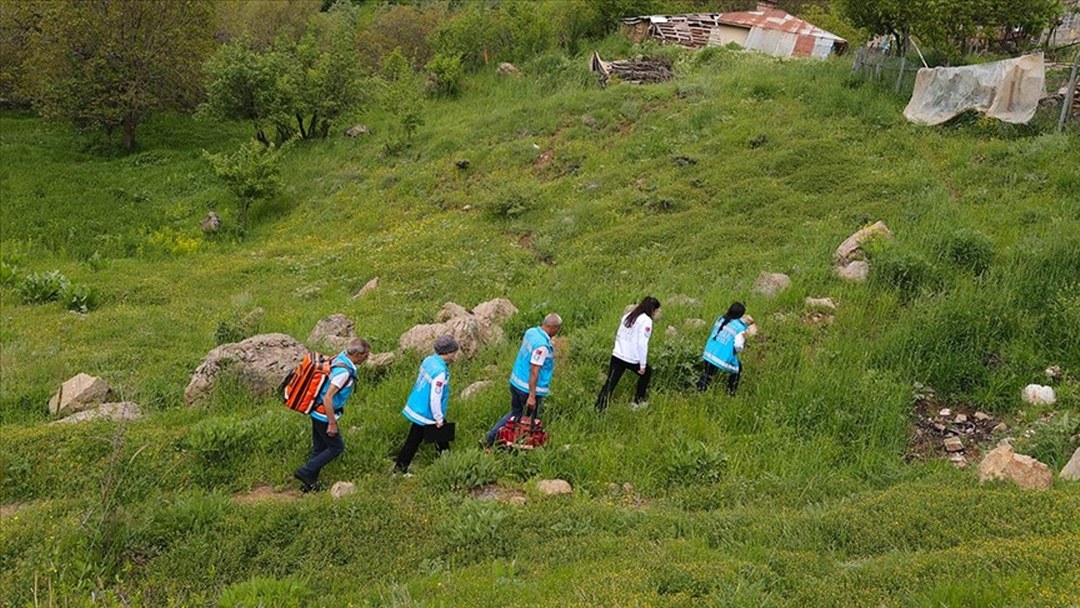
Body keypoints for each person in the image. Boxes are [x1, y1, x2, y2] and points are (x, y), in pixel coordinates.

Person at [293, 338, 370, 492]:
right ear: (357, 355)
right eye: (366, 355)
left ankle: (309, 485)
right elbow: (328, 397)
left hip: (315, 409)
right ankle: (305, 471)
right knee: (336, 448)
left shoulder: (340, 357)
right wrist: (332, 423)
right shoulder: (344, 373)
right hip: (324, 414)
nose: (367, 358)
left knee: (319, 448)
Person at [484, 313, 561, 447]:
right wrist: (532, 396)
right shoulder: (542, 346)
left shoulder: (531, 332)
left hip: (516, 382)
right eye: (558, 329)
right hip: (527, 389)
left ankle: (498, 439)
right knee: (527, 422)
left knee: (516, 414)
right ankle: (511, 443)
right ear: (553, 328)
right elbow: (534, 371)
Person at [394, 334, 461, 475]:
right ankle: (400, 470)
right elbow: (435, 397)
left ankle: (445, 461)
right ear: (448, 352)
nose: (455, 355)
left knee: (441, 436)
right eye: (454, 352)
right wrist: (438, 417)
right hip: (427, 412)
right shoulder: (440, 372)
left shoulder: (429, 360)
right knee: (414, 440)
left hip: (417, 406)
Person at [595, 296, 660, 412]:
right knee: (646, 373)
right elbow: (642, 344)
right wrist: (643, 364)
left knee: (610, 383)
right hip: (631, 358)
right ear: (652, 309)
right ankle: (638, 401)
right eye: (656, 310)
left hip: (617, 355)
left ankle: (599, 408)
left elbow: (619, 334)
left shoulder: (628, 316)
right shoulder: (646, 321)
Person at [697, 302, 748, 395]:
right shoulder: (739, 327)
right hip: (721, 355)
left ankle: (698, 391)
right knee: (737, 369)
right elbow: (738, 345)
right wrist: (734, 352)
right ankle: (730, 392)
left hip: (709, 351)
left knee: (708, 374)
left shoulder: (721, 319)